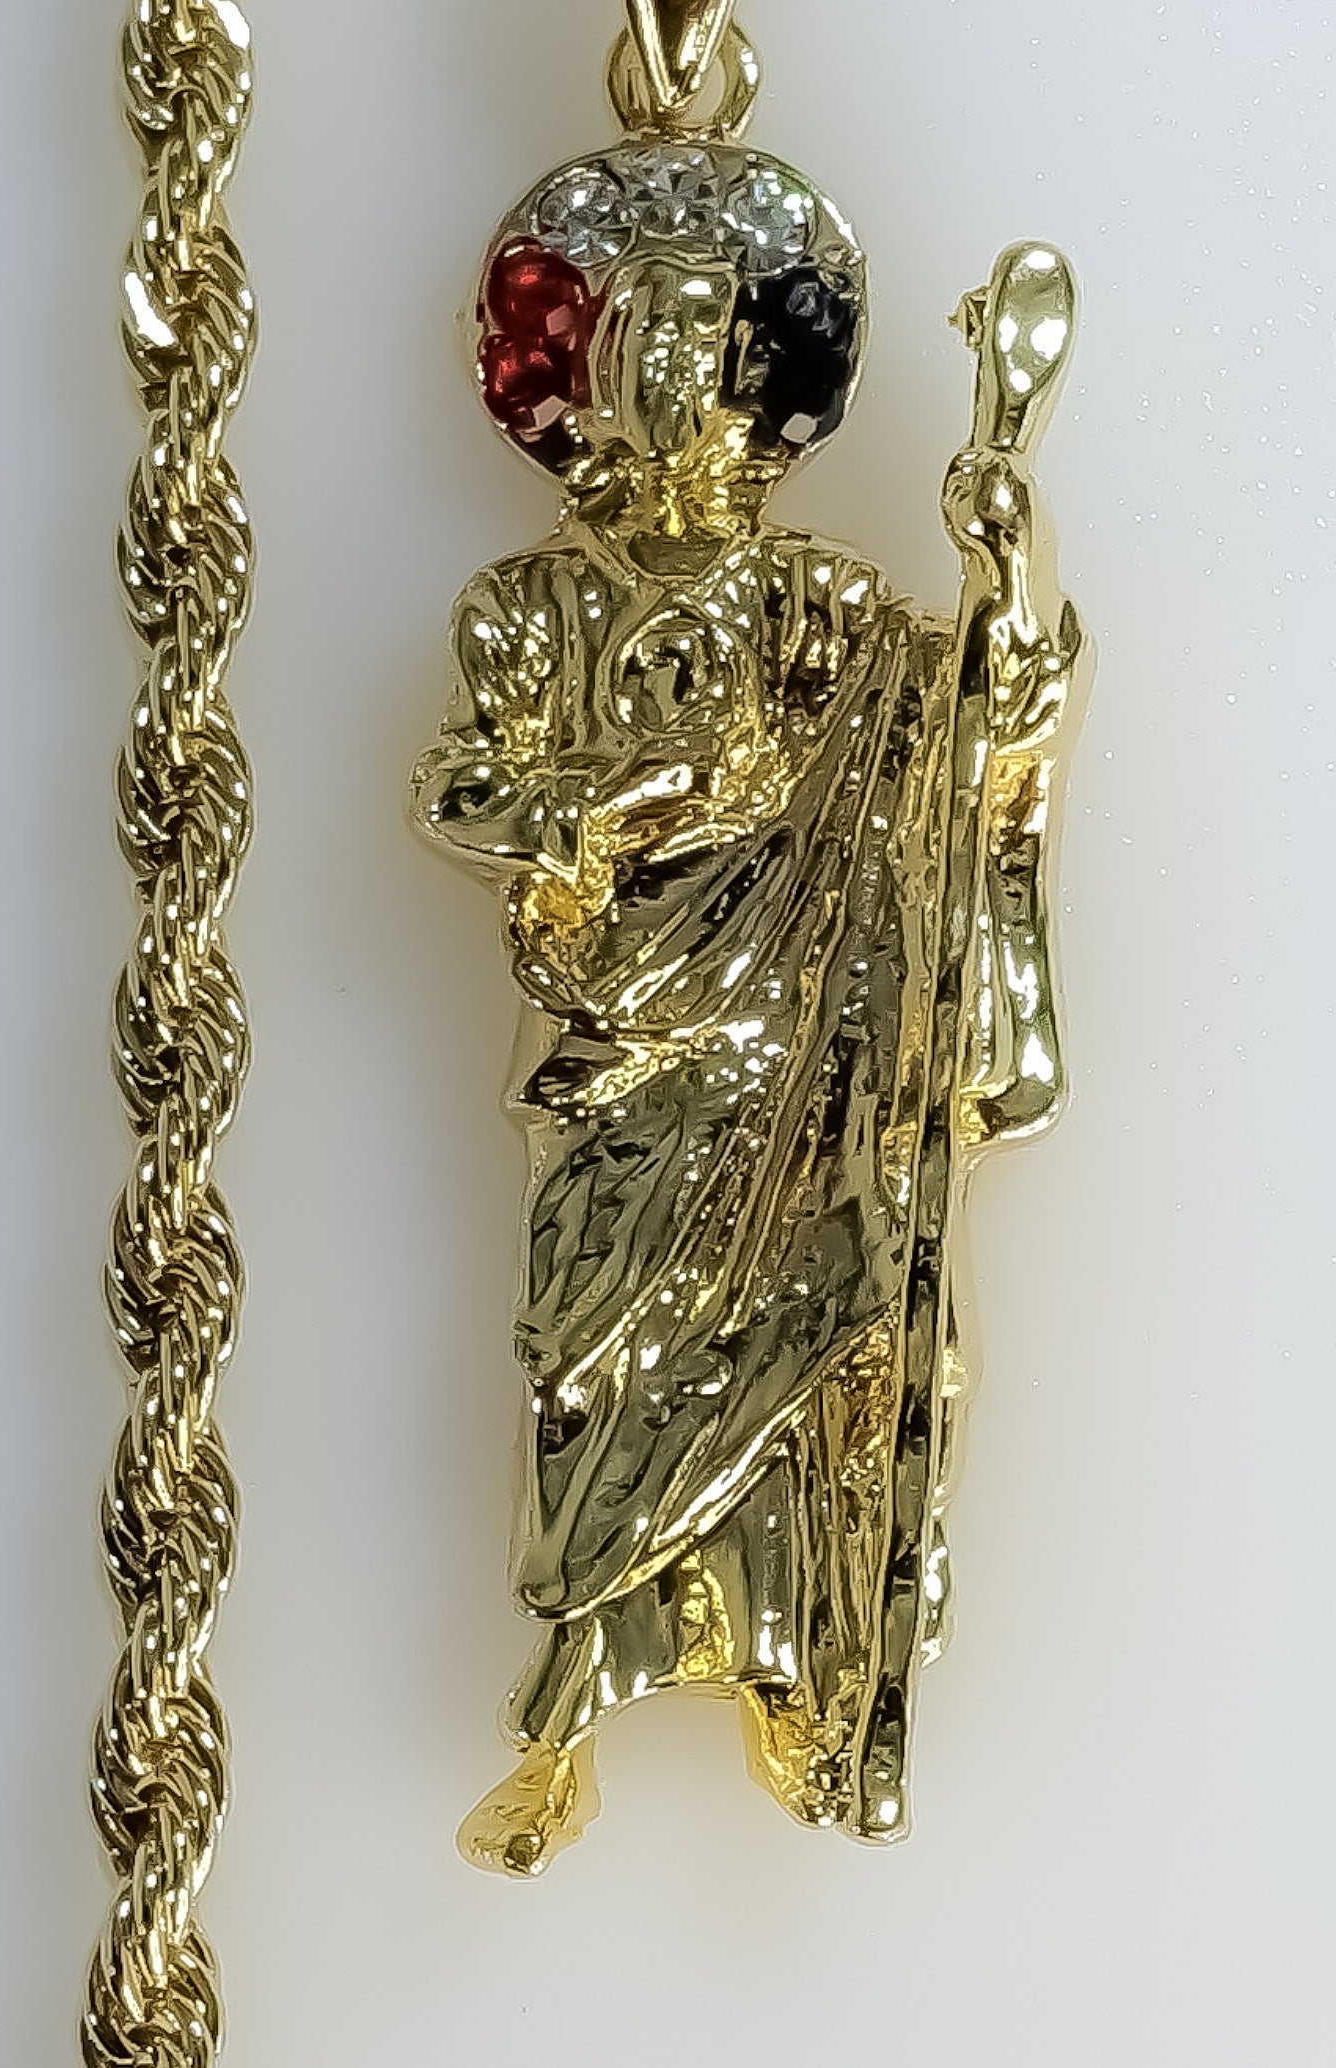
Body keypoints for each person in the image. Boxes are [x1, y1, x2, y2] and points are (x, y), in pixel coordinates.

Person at [415, 140, 1084, 1874]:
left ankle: (794, 1686)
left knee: (799, 1353)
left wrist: (1005, 559)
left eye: (696, 343)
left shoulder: (823, 605)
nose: (664, 375)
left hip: (799, 1053)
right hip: (615, 1049)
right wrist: (598, 818)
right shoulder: (531, 604)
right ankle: (565, 1718)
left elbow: (974, 728)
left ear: (742, 377)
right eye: (631, 341)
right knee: (595, 1368)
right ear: (587, 377)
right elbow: (457, 792)